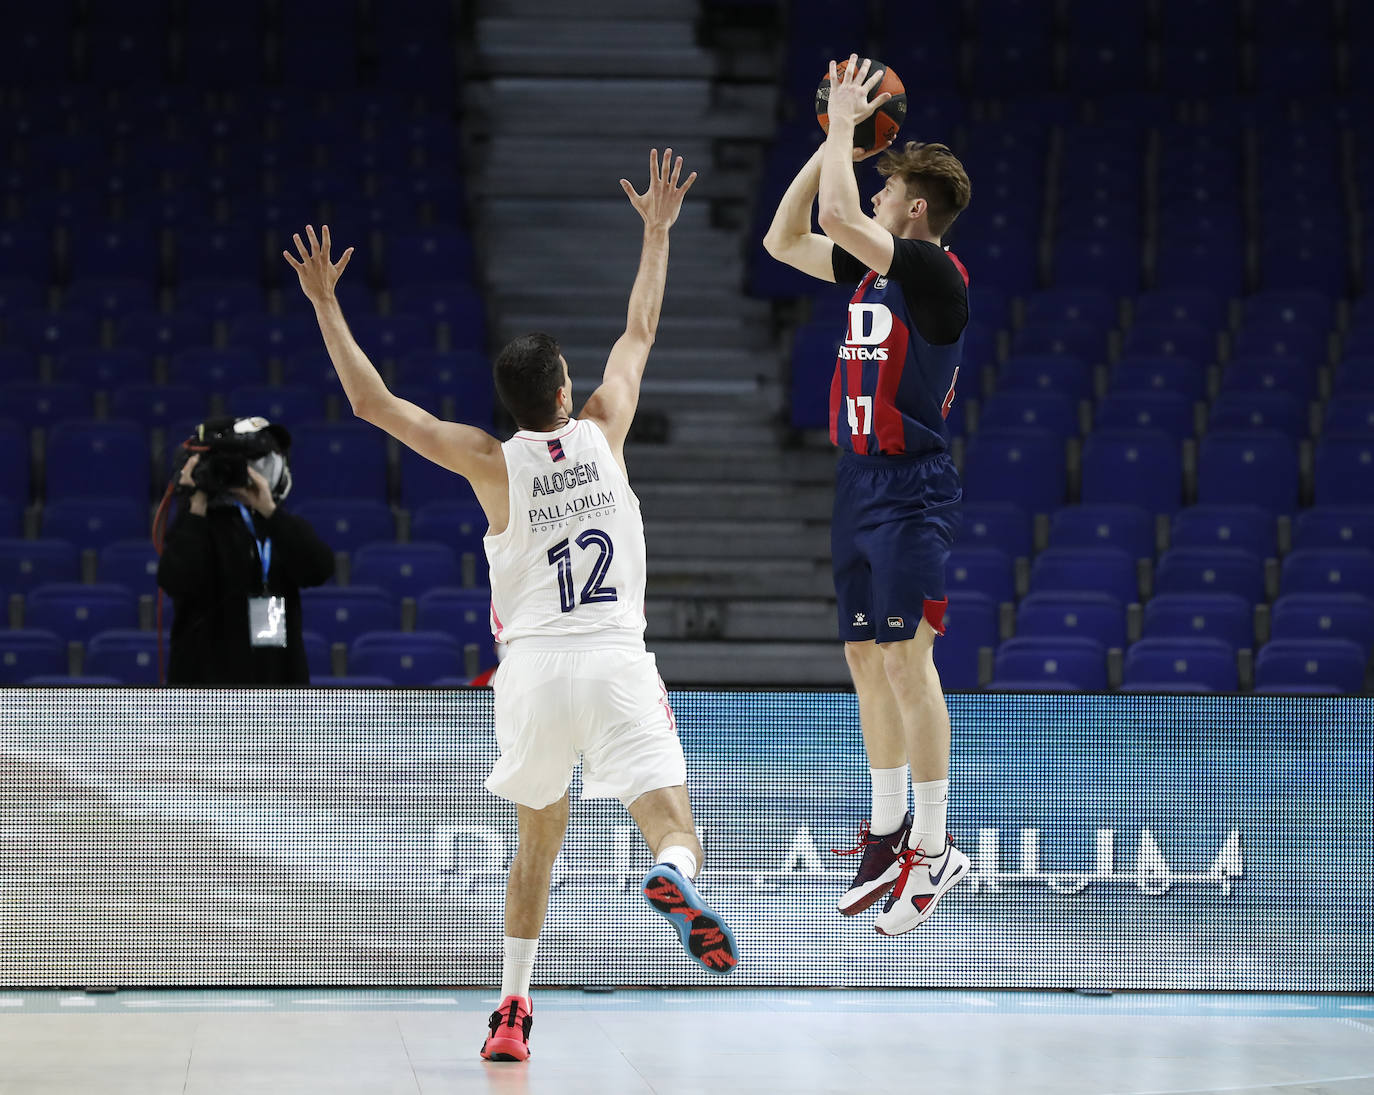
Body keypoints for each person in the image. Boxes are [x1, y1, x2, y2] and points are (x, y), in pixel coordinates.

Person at [284, 147, 738, 1063]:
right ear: (566, 392)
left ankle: (513, 1011)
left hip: (530, 672)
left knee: (536, 845)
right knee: (672, 820)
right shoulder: (606, 428)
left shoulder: (490, 462)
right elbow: (641, 328)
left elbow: (375, 405)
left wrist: (328, 304)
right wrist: (656, 232)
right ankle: (669, 873)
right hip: (614, 659)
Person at [762, 56, 974, 936]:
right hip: (857, 483)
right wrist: (829, 140)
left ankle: (935, 843)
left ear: (913, 210)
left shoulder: (933, 275)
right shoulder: (867, 277)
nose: (874, 198)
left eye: (890, 192)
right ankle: (886, 831)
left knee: (906, 662)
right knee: (862, 659)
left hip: (912, 489)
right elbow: (787, 236)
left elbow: (840, 214)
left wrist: (849, 124)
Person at [156, 417, 335, 685]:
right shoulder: (193, 526)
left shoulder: (278, 526)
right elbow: (176, 581)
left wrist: (269, 512)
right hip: (203, 691)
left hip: (276, 686)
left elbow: (319, 570)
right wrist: (197, 503)